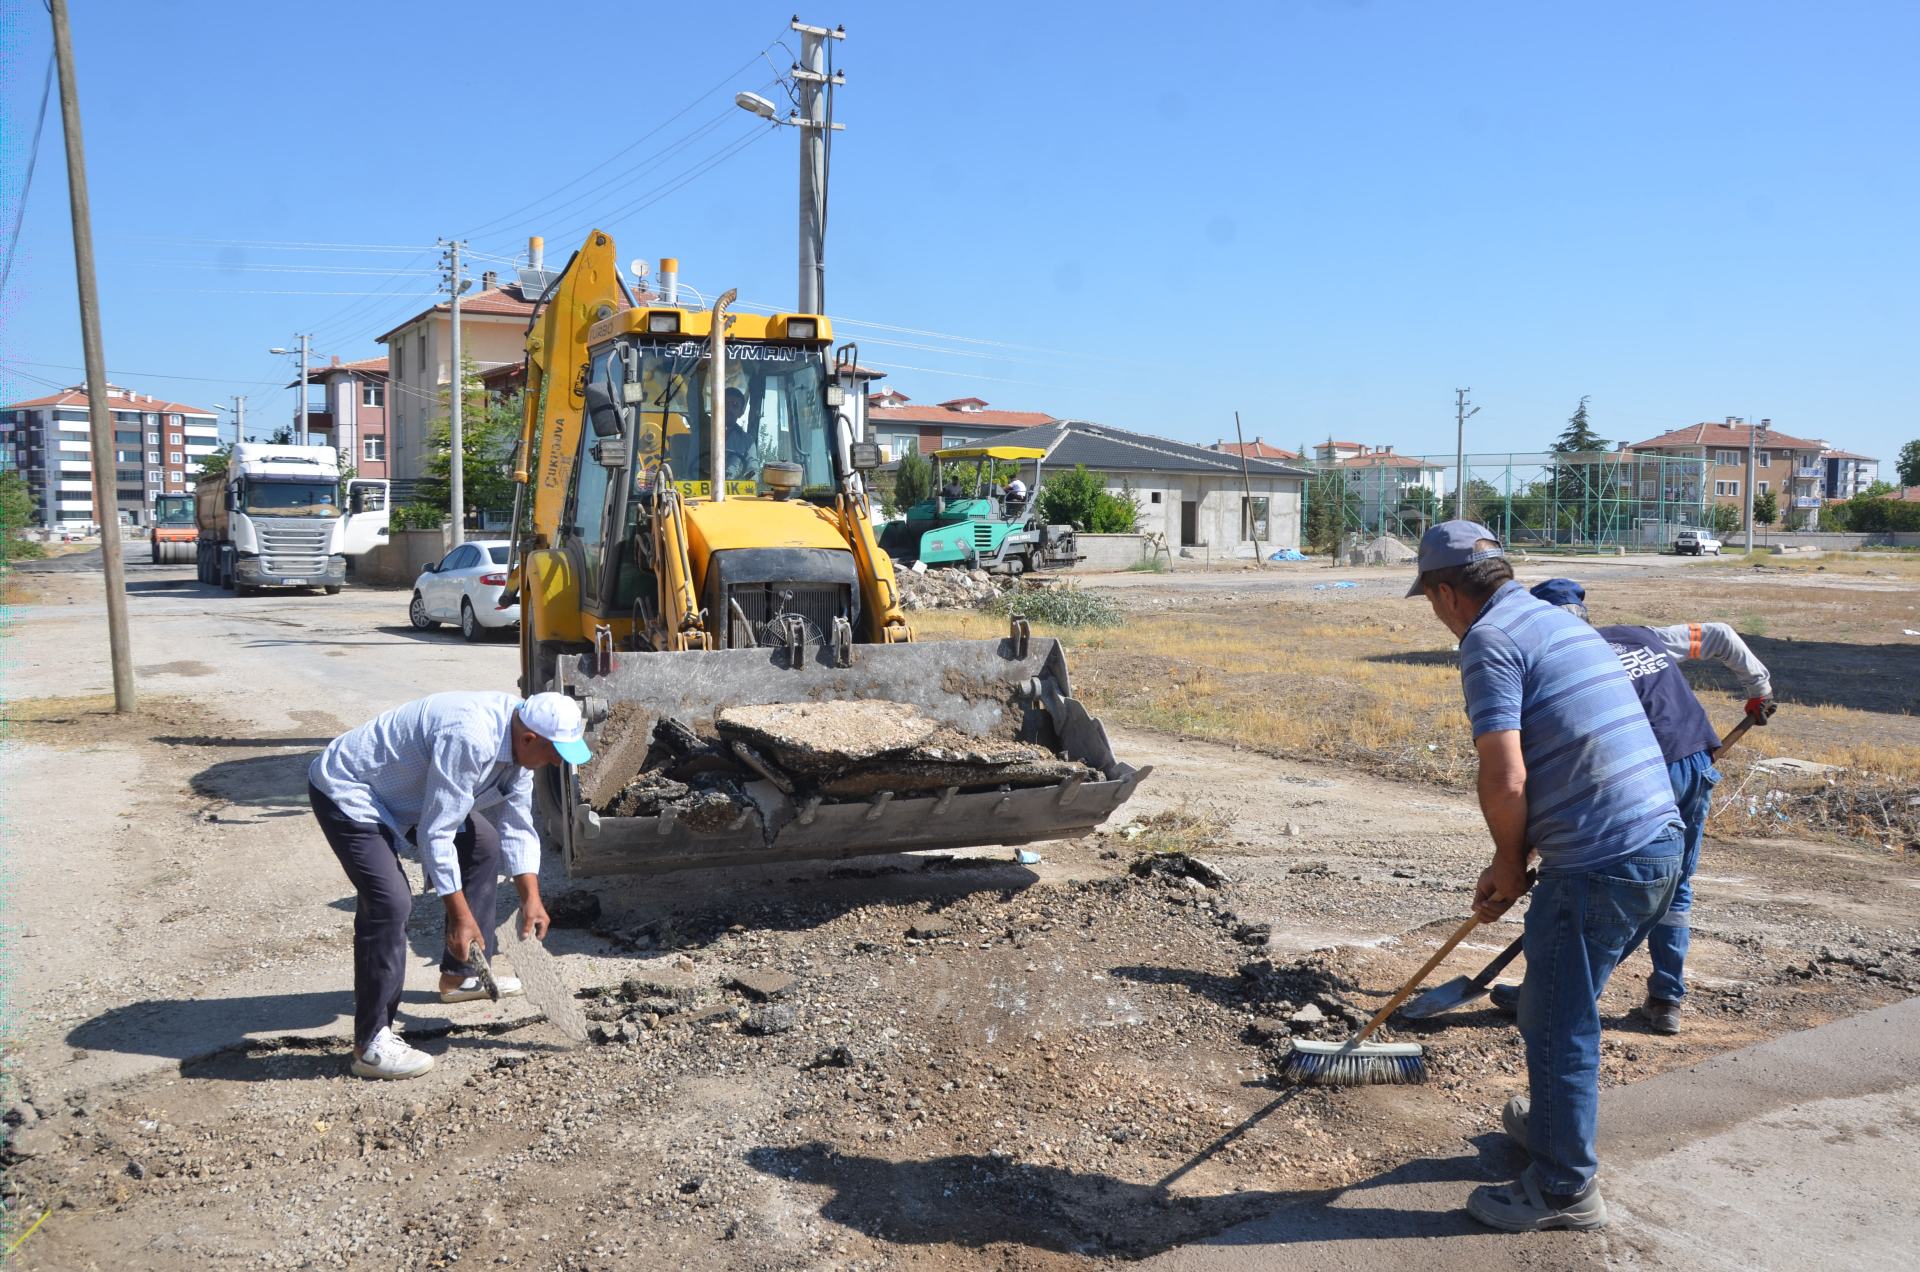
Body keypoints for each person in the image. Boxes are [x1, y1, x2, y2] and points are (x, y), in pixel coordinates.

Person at [1408, 522, 1682, 1232]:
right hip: (1659, 842)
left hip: (1602, 860)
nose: (1437, 616)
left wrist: (1507, 860)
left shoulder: (1489, 642)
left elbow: (1504, 774)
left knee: (1558, 1022)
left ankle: (1563, 1190)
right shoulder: (1552, 619)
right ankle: (1554, 1130)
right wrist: (1524, 856)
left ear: (1448, 594)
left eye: (1431, 601)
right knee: (1558, 1003)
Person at [1485, 579, 1774, 1035]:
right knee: (1672, 886)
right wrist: (1759, 687)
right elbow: (1718, 633)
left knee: (1597, 882)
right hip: (1695, 762)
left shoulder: (1560, 664)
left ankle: (1559, 991)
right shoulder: (1641, 635)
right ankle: (1665, 999)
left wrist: (1517, 853)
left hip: (1638, 781)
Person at [308, 691, 591, 1080]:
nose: (557, 761)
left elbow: (517, 825)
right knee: (389, 902)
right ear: (528, 739)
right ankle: (370, 1045)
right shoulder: (471, 736)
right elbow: (436, 833)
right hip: (354, 790)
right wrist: (460, 917)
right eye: (555, 752)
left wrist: (532, 900)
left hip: (409, 794)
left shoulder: (522, 739)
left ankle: (460, 975)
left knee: (483, 845)